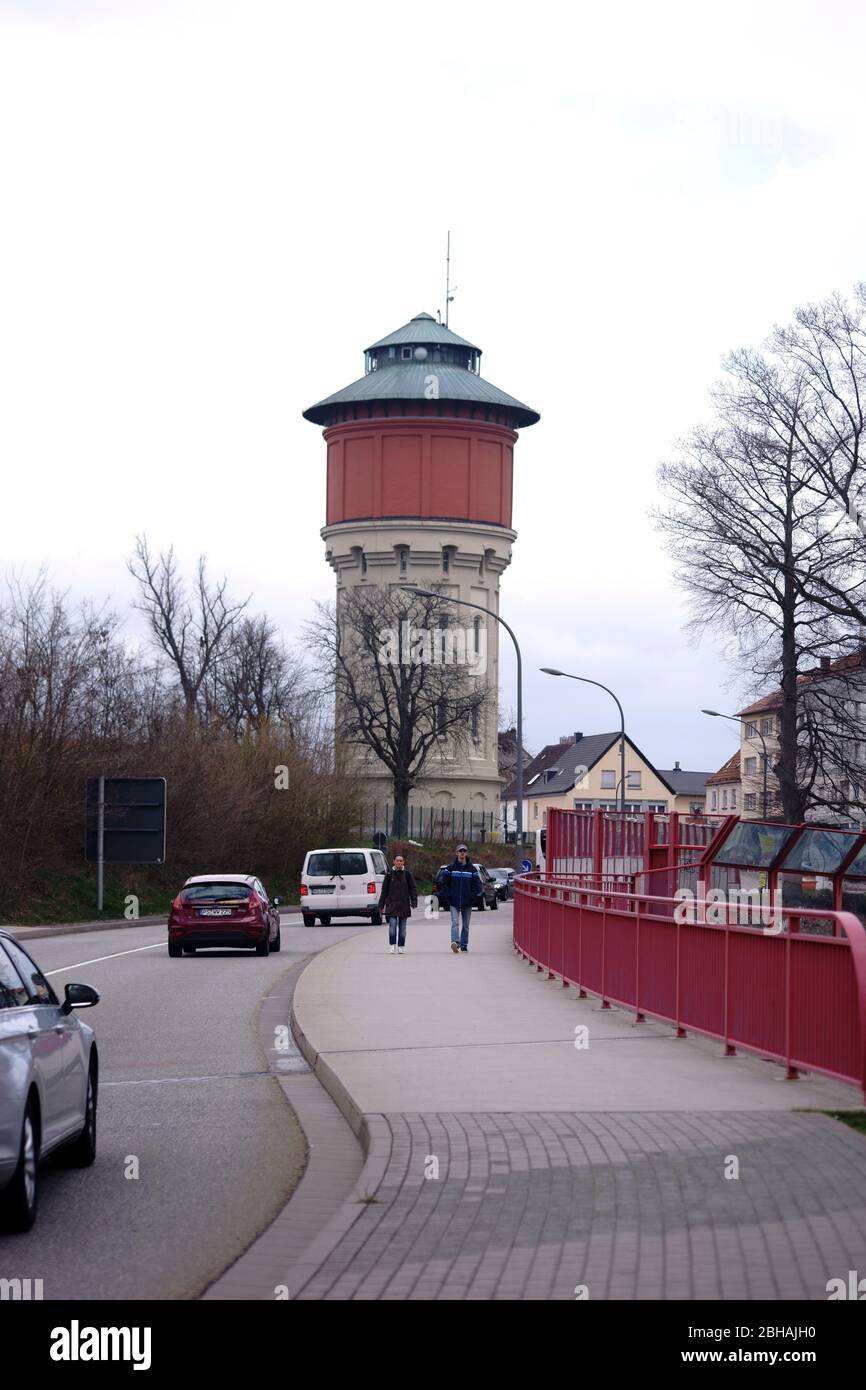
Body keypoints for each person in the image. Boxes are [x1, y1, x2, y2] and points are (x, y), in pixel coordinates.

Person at [437, 844, 482, 953]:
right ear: (456, 853)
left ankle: (464, 944)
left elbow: (478, 886)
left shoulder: (472, 870)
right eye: (460, 851)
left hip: (467, 902)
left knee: (466, 925)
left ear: (466, 853)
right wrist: (448, 895)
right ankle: (455, 942)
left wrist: (472, 896)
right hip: (454, 901)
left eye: (464, 851)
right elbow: (444, 883)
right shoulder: (450, 869)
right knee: (455, 922)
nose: (462, 853)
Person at [378, 854, 418, 954]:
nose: (399, 862)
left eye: (401, 861)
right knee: (392, 926)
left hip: (404, 905)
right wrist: (381, 905)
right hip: (391, 905)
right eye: (397, 860)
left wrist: (414, 901)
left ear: (403, 862)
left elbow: (413, 889)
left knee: (402, 928)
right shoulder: (389, 875)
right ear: (394, 862)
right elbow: (384, 891)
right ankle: (392, 945)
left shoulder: (408, 874)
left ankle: (401, 946)